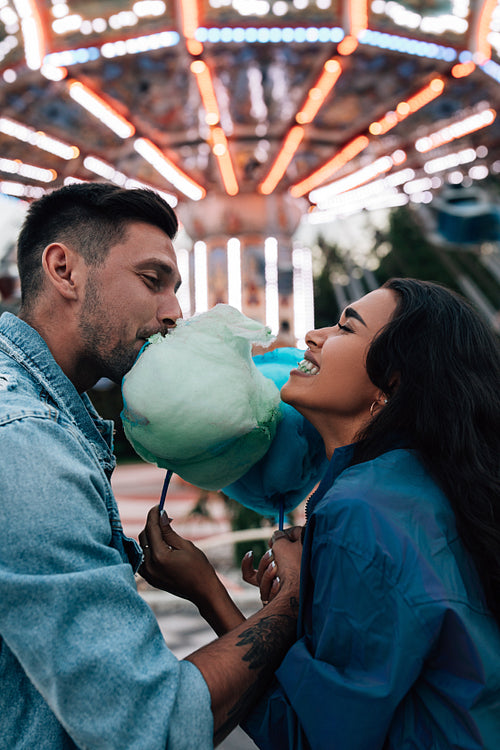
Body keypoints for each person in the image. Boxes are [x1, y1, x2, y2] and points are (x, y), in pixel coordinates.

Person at [0, 181, 300, 749]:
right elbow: (150, 726)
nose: (175, 312)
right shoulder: (28, 447)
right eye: (152, 280)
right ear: (64, 270)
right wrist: (290, 604)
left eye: (176, 287)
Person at [146, 278, 500, 748]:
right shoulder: (416, 487)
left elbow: (310, 736)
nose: (313, 335)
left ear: (392, 380)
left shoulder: (360, 512)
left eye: (345, 328)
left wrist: (212, 591)